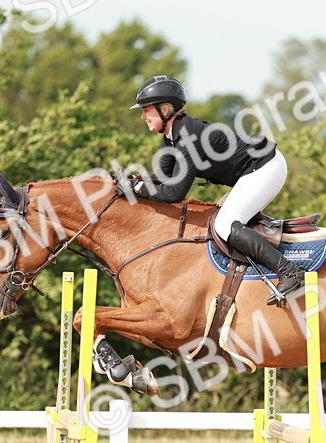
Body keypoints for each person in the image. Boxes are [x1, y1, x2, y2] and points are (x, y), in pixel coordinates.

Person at [125, 75, 306, 305]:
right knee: (221, 220)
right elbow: (164, 178)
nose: (142, 116)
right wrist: (132, 182)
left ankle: (290, 272)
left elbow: (174, 194)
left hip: (265, 167)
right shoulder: (172, 137)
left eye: (146, 110)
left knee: (225, 224)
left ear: (165, 108)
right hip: (252, 170)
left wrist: (138, 188)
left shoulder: (188, 137)